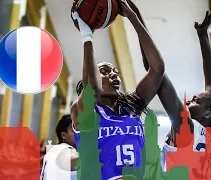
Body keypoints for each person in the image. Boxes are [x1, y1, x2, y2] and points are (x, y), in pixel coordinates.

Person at [135, 8, 211, 171]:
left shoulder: (187, 128)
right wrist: (202, 36)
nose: (187, 101)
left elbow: (155, 70)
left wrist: (135, 16)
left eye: (194, 100)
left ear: (208, 114)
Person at [70, 0, 165, 179]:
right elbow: (94, 90)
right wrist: (87, 36)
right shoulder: (83, 111)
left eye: (115, 71)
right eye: (104, 71)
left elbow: (157, 68)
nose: (114, 74)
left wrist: (133, 17)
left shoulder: (131, 107)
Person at [40, 114, 78, 180]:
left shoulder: (53, 151)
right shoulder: (64, 149)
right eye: (74, 130)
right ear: (63, 135)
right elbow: (67, 159)